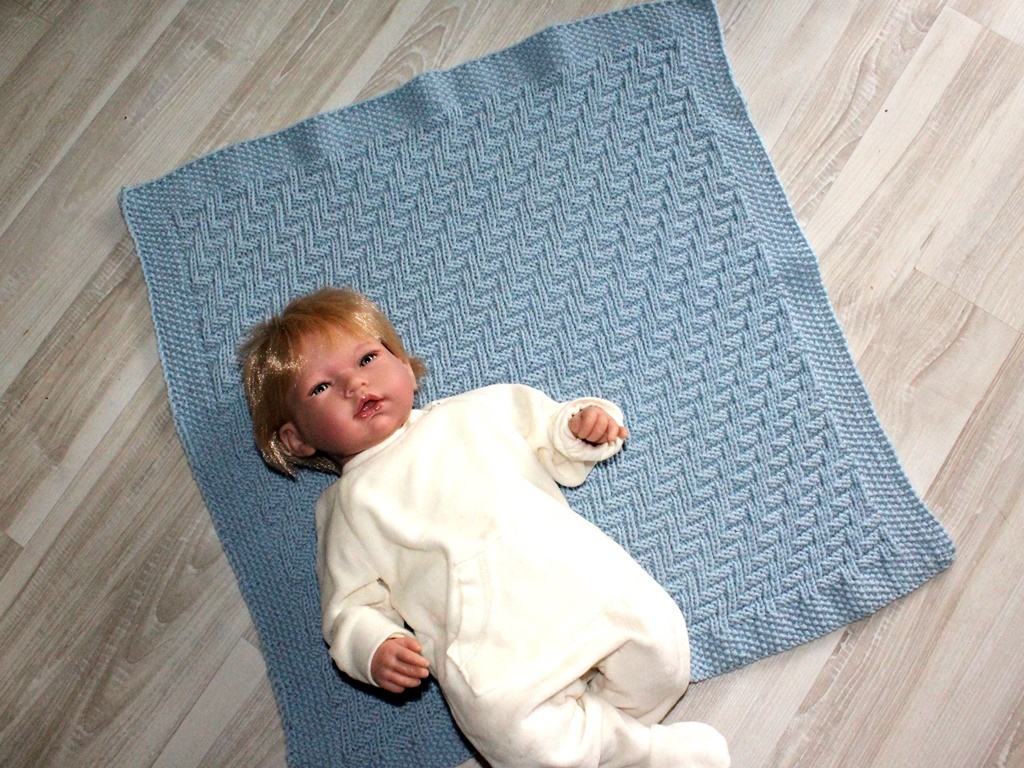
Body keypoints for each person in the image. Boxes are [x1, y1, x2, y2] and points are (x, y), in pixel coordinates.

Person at [240, 286, 730, 768]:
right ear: (297, 439)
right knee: (518, 742)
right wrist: (374, 647)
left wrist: (585, 425)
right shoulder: (346, 508)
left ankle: (609, 741)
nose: (354, 384)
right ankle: (646, 753)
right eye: (321, 387)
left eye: (367, 358)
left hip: (577, 581)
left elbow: (553, 427)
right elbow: (350, 607)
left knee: (663, 656)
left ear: (406, 367)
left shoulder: (472, 412)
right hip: (490, 648)